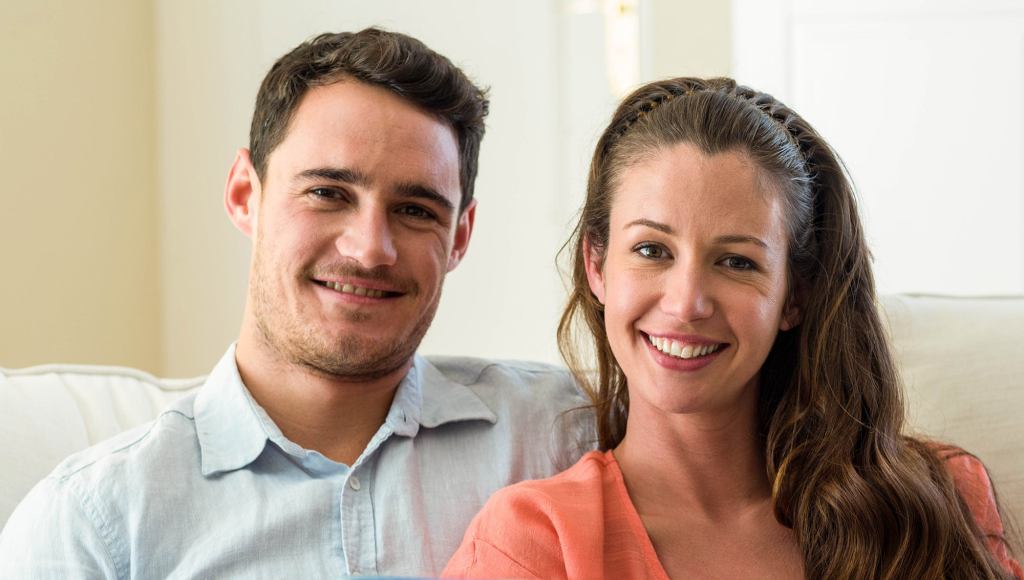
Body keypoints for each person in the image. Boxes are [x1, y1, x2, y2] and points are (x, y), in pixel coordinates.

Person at [0, 28, 593, 578]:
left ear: (459, 237)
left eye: (415, 210)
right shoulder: (94, 524)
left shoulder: (564, 437)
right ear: (243, 196)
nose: (369, 250)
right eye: (327, 193)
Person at [444, 77, 1022, 579]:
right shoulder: (534, 540)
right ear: (597, 266)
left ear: (794, 294)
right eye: (651, 249)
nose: (688, 302)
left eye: (737, 262)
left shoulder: (938, 496)